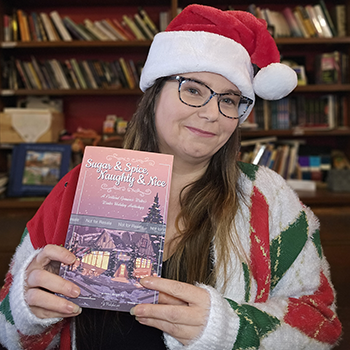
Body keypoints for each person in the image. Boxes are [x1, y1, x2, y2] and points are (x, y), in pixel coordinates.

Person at [0, 4, 342, 350]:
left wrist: (227, 328)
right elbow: (7, 330)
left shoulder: (267, 199)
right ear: (154, 94)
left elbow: (321, 325)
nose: (211, 114)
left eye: (229, 100)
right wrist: (28, 309)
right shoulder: (81, 186)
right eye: (193, 90)